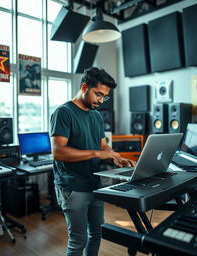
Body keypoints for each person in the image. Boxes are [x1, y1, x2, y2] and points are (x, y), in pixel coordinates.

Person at [50, 67, 136, 256]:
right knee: (78, 240)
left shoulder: (96, 115)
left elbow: (103, 146)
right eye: (98, 94)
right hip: (72, 187)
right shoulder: (63, 113)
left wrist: (117, 158)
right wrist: (97, 154)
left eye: (105, 97)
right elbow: (58, 152)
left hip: (94, 184)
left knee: (97, 233)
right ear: (84, 87)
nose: (101, 100)